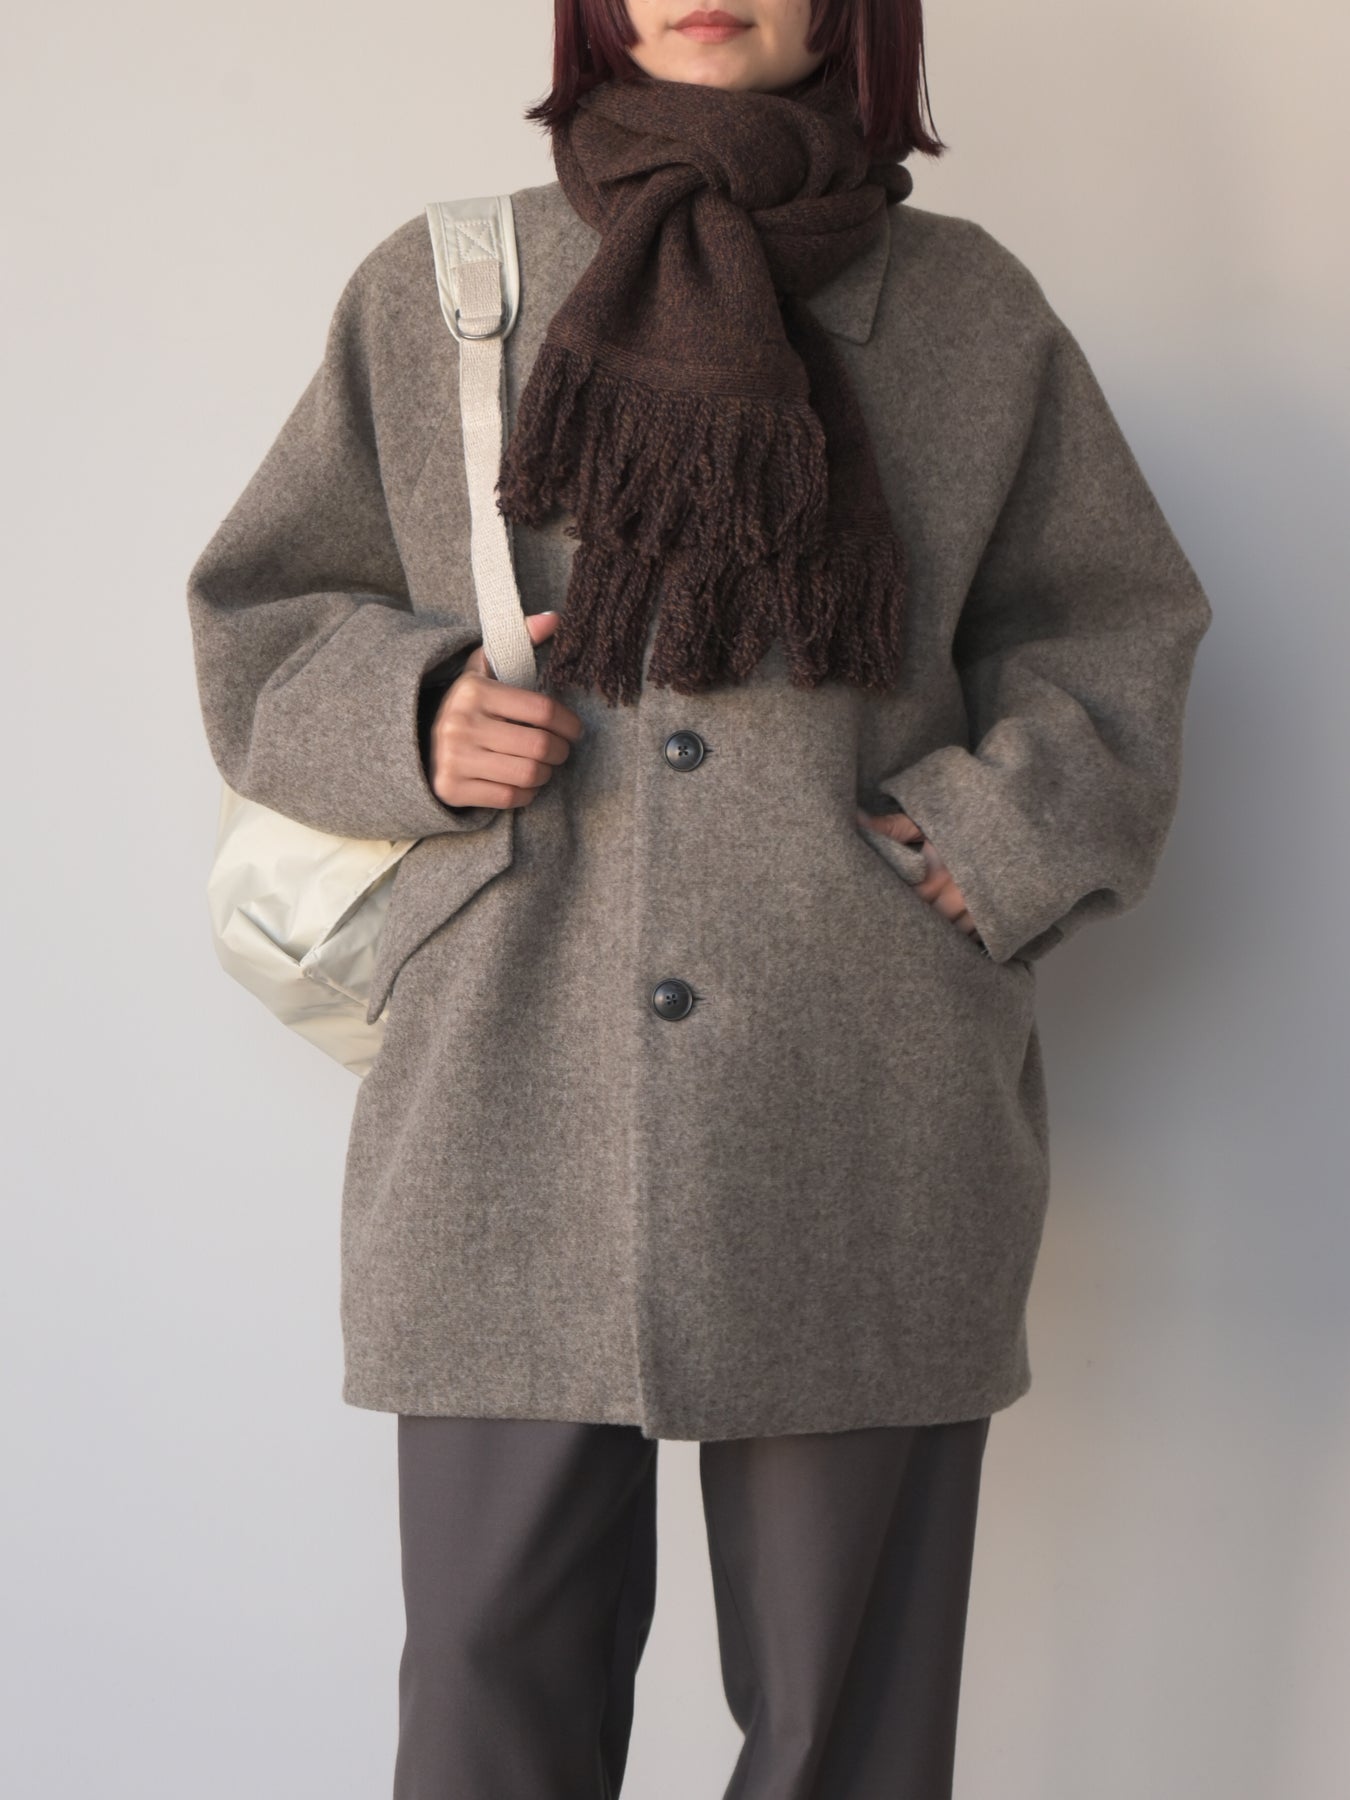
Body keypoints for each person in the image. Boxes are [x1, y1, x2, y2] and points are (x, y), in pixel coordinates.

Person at [185, 2, 1214, 1794]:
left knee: (842, 1733)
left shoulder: (967, 309)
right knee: (490, 1707)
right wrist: (416, 714)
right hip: (506, 1094)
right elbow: (262, 611)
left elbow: (1110, 630)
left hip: (865, 1092)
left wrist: (987, 837)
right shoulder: (450, 282)